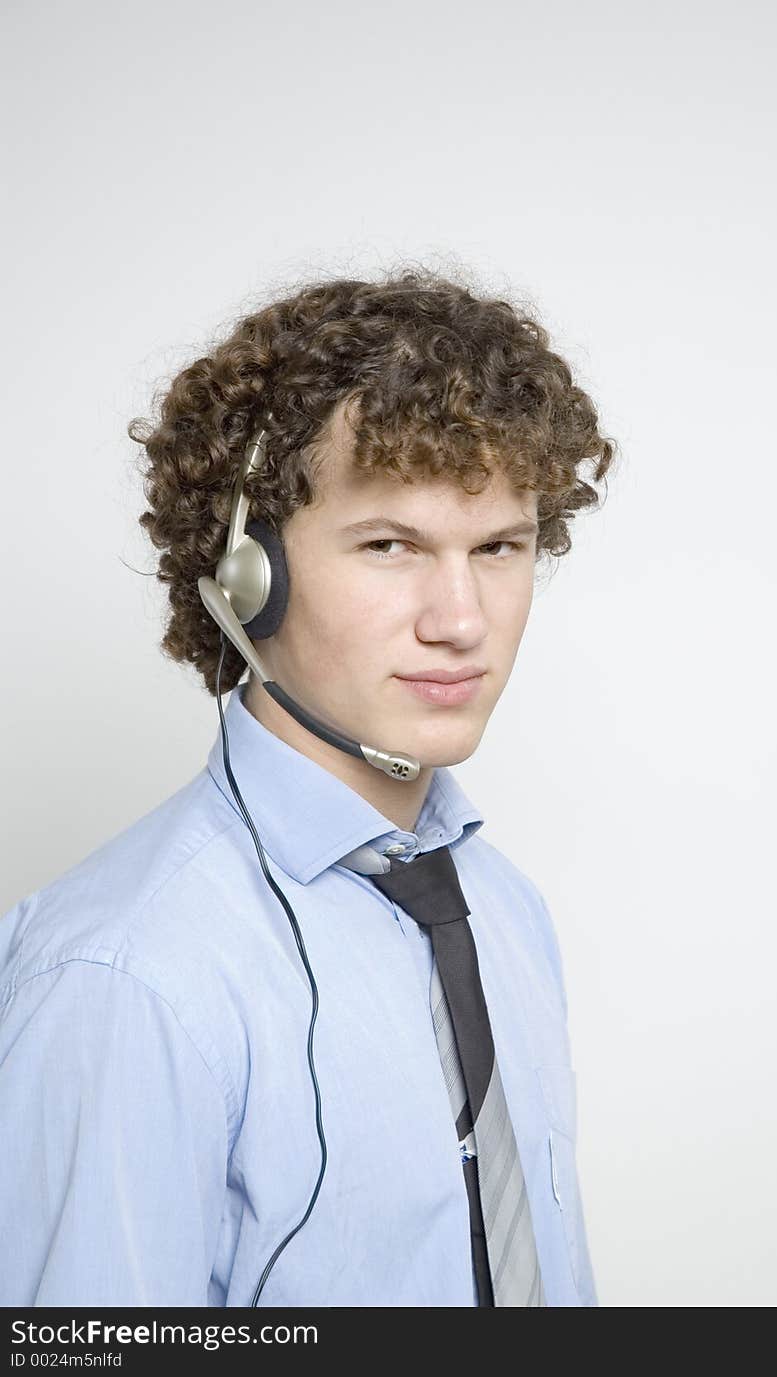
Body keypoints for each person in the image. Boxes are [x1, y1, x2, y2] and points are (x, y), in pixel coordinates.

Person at [0, 267, 616, 1306]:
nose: (461, 619)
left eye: (498, 547)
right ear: (248, 573)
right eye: (391, 546)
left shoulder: (506, 911)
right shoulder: (123, 977)